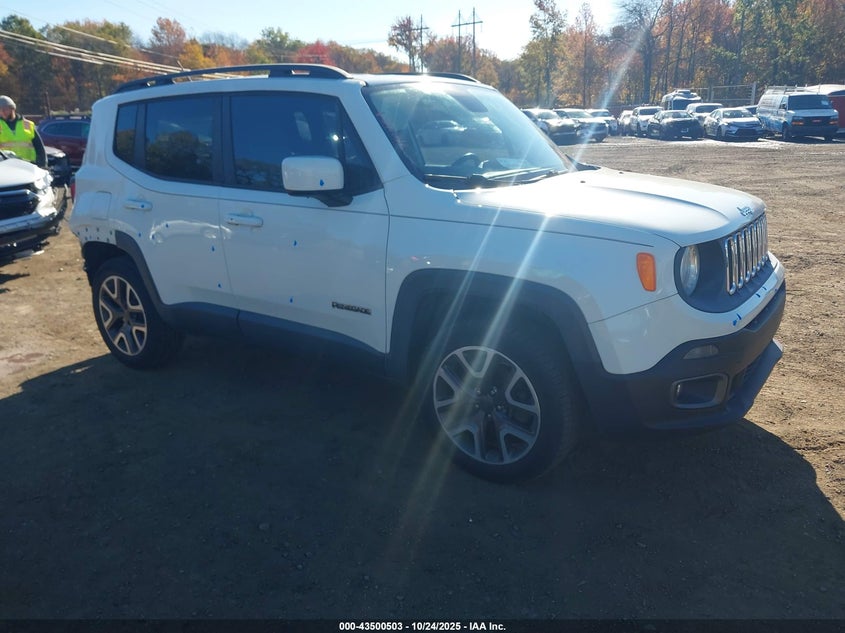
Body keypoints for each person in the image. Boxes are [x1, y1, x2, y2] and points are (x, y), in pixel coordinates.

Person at [0, 95, 47, 168]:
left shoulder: (28, 124)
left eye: (5, 109)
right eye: (0, 110)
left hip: (29, 165)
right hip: (6, 167)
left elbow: (39, 147)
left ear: (12, 109)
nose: (2, 112)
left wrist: (43, 165)